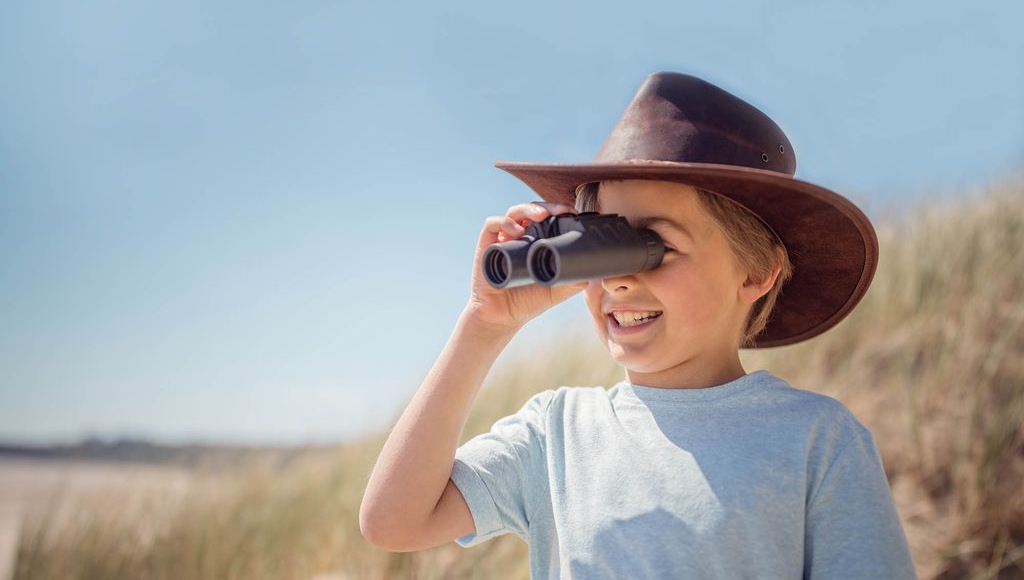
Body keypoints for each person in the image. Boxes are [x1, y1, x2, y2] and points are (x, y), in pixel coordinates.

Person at [359, 72, 917, 579]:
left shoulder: (816, 440)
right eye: (600, 246)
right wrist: (484, 324)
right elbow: (394, 521)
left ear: (755, 272)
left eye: (652, 246)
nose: (618, 279)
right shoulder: (555, 432)